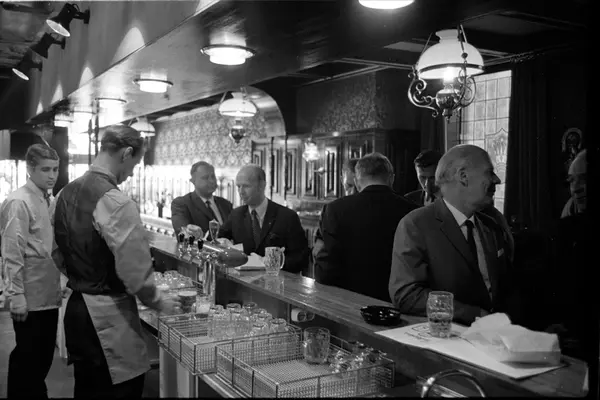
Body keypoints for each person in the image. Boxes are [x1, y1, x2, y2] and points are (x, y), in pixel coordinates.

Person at [52, 125, 179, 399]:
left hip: (76, 310)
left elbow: (54, 251)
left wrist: (82, 274)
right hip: (108, 319)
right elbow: (135, 272)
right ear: (126, 153)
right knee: (120, 391)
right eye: (134, 164)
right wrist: (160, 302)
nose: (131, 173)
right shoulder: (116, 201)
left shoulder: (63, 194)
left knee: (85, 389)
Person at [389, 144, 519, 325]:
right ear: (463, 177)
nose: (496, 180)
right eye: (489, 173)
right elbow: (406, 294)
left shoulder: (491, 225)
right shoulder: (416, 225)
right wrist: (472, 314)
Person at [0, 144, 61, 399]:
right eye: (45, 169)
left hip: (47, 291)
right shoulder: (19, 201)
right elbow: (11, 251)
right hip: (29, 293)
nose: (52, 175)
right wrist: (16, 294)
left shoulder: (48, 199)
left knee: (42, 357)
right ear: (30, 169)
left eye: (55, 169)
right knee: (28, 357)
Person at [315, 153, 417, 301]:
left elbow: (324, 271)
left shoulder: (335, 210)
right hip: (396, 302)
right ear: (391, 178)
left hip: (348, 301)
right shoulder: (413, 210)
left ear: (357, 181)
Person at [407, 149, 514, 262]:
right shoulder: (408, 202)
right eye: (422, 178)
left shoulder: (480, 207)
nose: (427, 184)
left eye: (432, 177)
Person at [219, 165, 309, 273]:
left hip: (277, 280)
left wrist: (276, 261)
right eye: (238, 186)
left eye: (246, 186)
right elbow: (218, 240)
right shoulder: (236, 215)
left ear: (261, 186)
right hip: (243, 279)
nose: (241, 191)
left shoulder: (287, 216)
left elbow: (302, 258)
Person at [312, 158, 359, 261]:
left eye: (358, 187)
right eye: (349, 186)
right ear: (342, 180)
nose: (353, 192)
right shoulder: (330, 211)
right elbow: (317, 252)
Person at [171, 161, 233, 235]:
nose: (211, 181)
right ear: (193, 181)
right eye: (205, 178)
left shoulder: (226, 204)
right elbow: (183, 232)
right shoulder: (182, 204)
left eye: (213, 176)